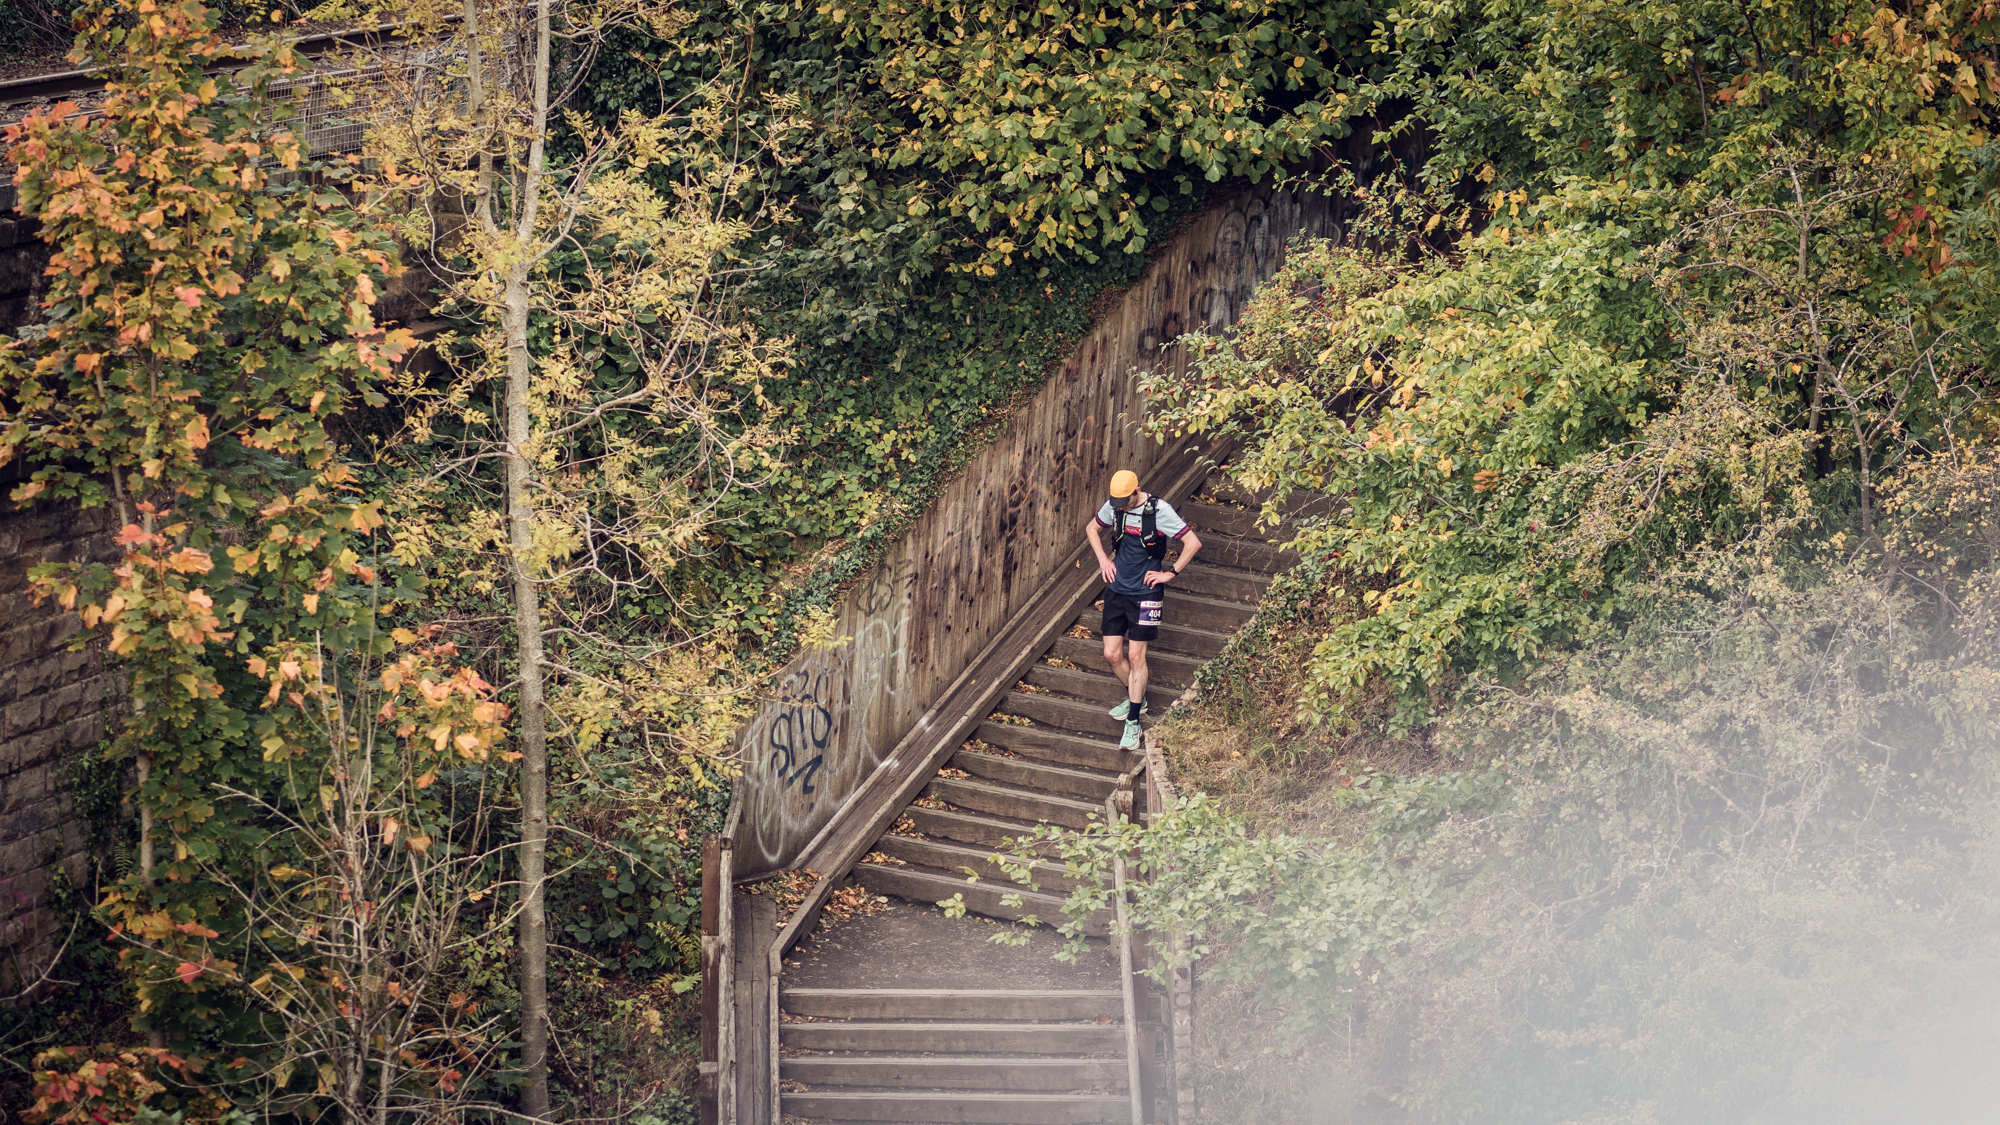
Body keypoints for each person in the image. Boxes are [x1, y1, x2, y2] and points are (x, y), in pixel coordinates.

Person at [1087, 469, 1202, 750]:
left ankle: (1134, 722)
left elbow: (1192, 542)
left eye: (1124, 502)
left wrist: (1170, 573)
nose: (1120, 507)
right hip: (1117, 588)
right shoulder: (1116, 504)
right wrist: (1103, 560)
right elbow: (1092, 528)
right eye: (1116, 503)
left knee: (1136, 655)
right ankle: (1137, 697)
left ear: (1136, 490)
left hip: (1146, 592)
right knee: (1111, 654)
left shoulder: (1159, 511)